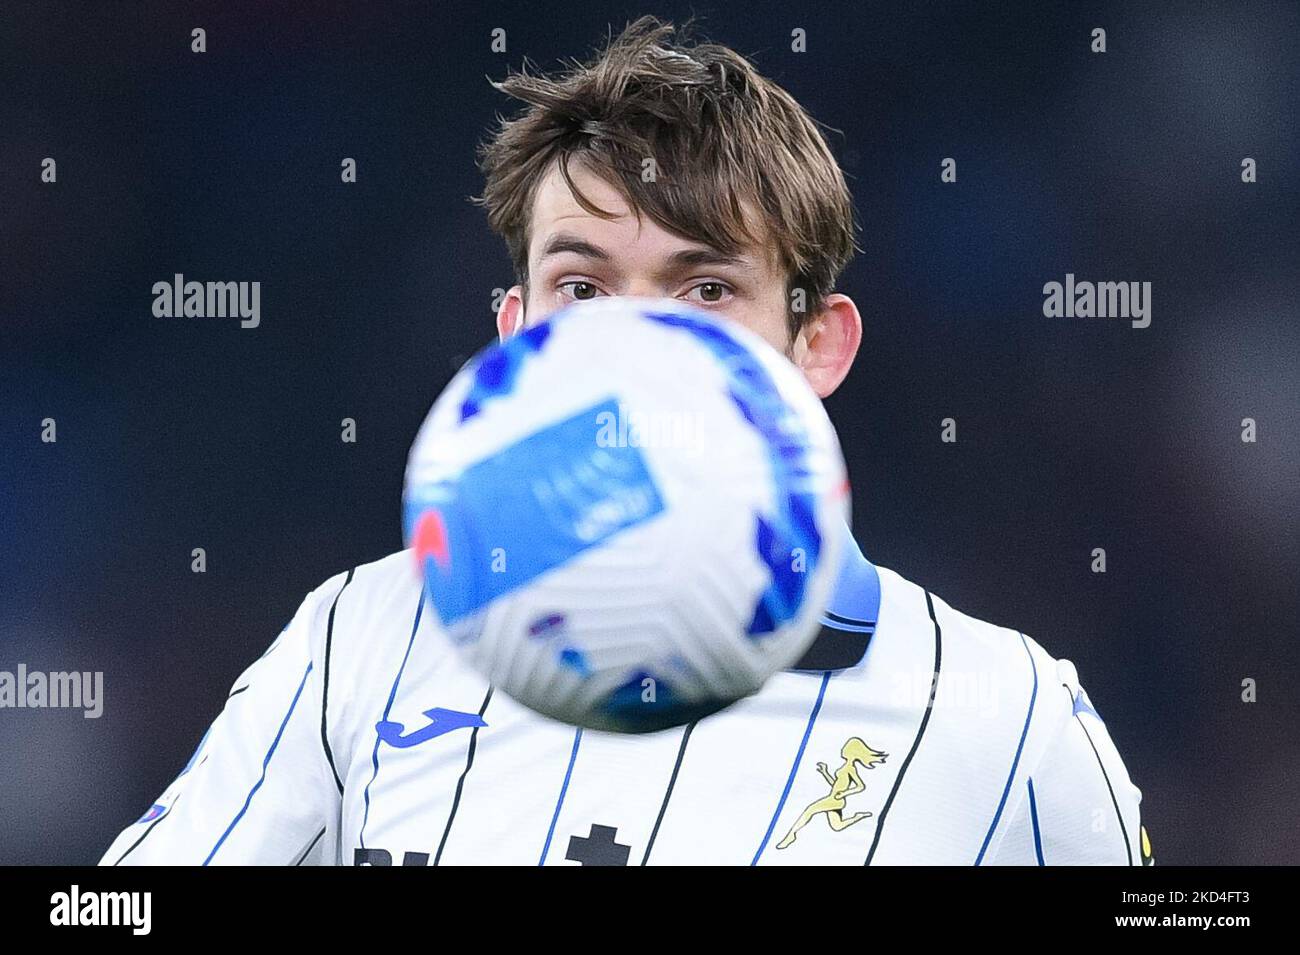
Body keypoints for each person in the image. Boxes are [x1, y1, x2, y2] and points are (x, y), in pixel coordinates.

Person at [100, 16, 1148, 866]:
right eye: (583, 285)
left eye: (704, 287)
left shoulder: (1005, 716)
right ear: (515, 336)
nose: (635, 338)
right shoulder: (356, 638)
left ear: (816, 344)